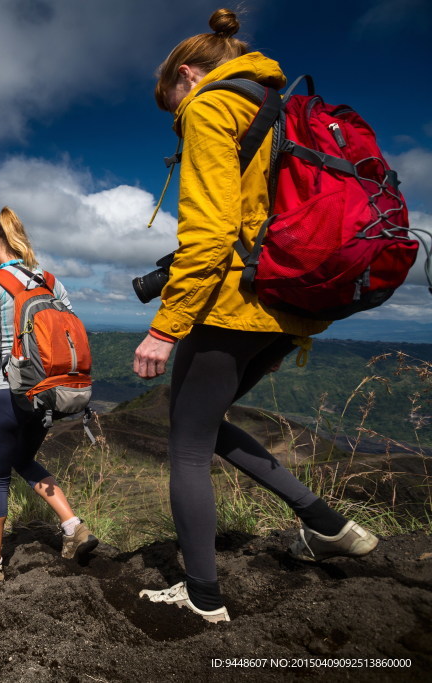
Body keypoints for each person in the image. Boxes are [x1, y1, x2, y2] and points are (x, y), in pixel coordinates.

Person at [133, 8, 378, 622]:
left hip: (235, 304)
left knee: (187, 444)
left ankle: (203, 598)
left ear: (188, 75)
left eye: (172, 107)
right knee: (206, 424)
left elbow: (211, 232)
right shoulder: (279, 106)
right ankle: (328, 525)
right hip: (289, 306)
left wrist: (166, 326)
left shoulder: (212, 107)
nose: (175, 122)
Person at [0, 206, 97, 582]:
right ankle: (72, 526)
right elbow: (72, 333)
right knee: (23, 459)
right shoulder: (50, 281)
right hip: (47, 394)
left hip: (8, 393)